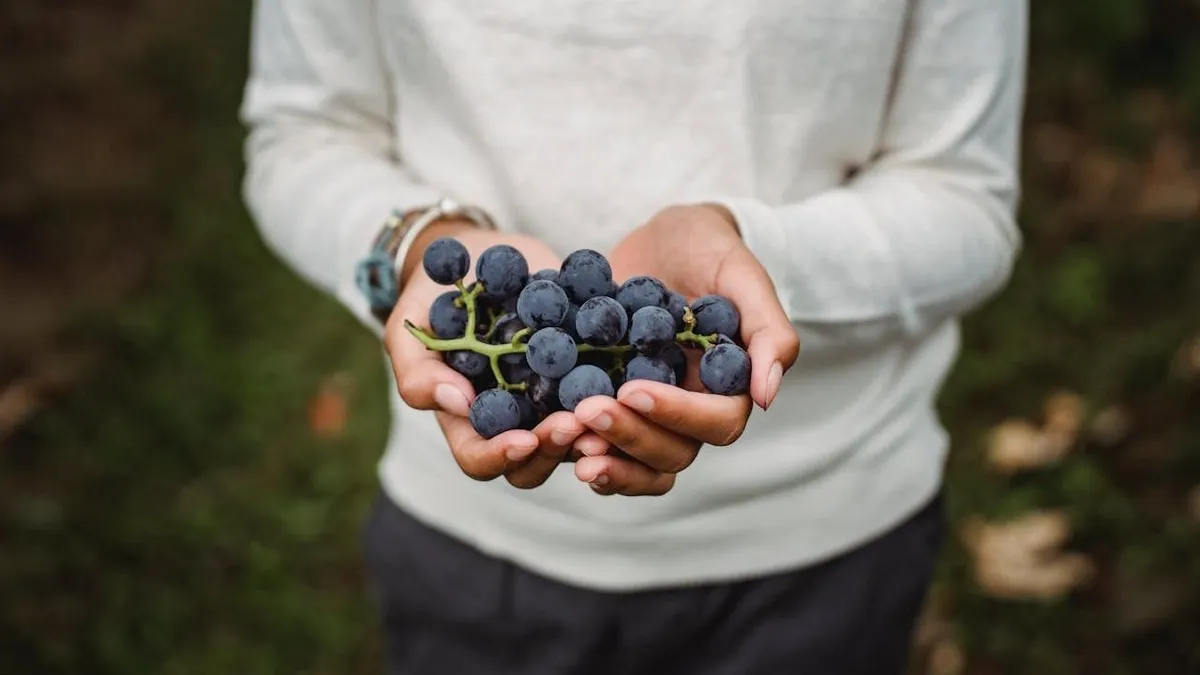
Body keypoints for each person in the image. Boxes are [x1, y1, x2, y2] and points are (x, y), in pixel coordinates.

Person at [240, 1, 1027, 672]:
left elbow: (967, 200)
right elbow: (302, 135)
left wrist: (757, 259)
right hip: (472, 553)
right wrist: (420, 243)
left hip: (826, 549)